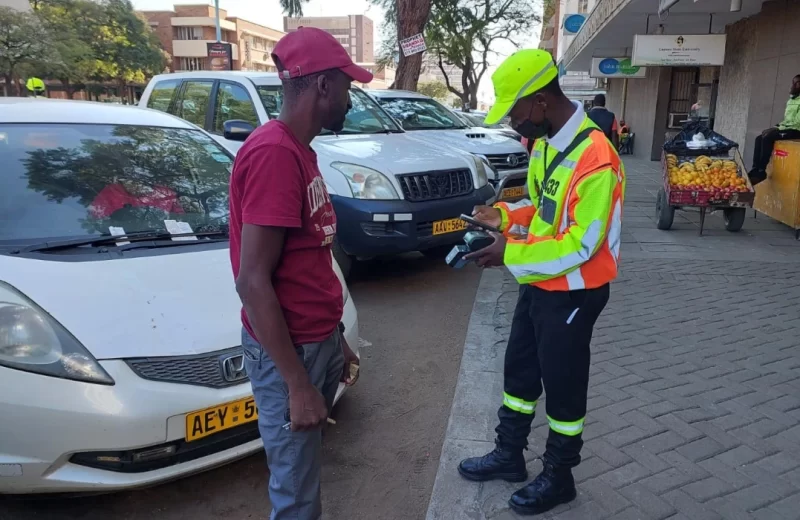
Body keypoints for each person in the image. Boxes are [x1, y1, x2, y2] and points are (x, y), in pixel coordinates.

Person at [457, 49, 625, 516]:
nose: (513, 122)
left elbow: (580, 246)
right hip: (541, 283)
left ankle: (559, 476)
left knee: (564, 386)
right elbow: (542, 209)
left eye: (514, 110)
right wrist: (503, 216)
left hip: (575, 290)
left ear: (540, 100)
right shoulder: (547, 143)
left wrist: (508, 251)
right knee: (520, 371)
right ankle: (510, 454)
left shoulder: (597, 157)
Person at [229, 27, 368, 520]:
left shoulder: (299, 150)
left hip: (315, 342)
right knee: (295, 492)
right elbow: (252, 281)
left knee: (303, 476)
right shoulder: (274, 154)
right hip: (292, 355)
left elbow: (309, 258)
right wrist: (296, 384)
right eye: (348, 87)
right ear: (323, 87)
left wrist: (337, 339)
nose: (351, 99)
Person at [749, 74, 800, 185]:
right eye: (793, 83)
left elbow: (797, 122)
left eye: (797, 83)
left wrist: (776, 130)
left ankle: (762, 171)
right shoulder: (792, 100)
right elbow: (787, 120)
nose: (793, 85)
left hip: (797, 130)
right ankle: (755, 169)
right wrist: (776, 127)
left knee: (769, 137)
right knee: (759, 138)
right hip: (789, 128)